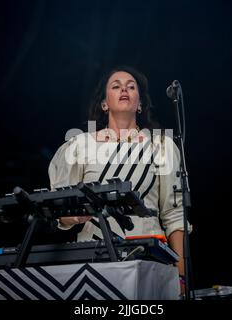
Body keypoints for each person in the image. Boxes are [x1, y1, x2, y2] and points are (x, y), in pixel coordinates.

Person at [48, 66, 191, 293]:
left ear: (140, 103)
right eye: (116, 86)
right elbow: (58, 213)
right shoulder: (79, 146)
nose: (124, 89)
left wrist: (182, 278)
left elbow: (174, 217)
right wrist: (73, 217)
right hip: (91, 260)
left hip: (150, 259)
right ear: (104, 103)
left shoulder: (161, 146)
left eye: (131, 86)